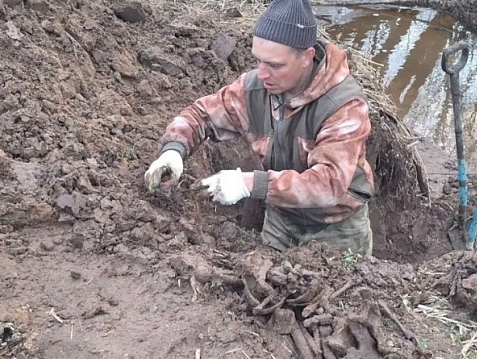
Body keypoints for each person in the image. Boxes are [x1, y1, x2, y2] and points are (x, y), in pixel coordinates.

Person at [144, 0, 375, 256]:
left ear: (307, 57)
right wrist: (174, 150)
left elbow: (329, 184)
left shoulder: (343, 105)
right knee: (266, 273)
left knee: (336, 281)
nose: (263, 74)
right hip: (281, 218)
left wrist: (249, 184)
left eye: (275, 65)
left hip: (337, 228)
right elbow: (202, 115)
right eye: (258, 61)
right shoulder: (254, 88)